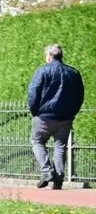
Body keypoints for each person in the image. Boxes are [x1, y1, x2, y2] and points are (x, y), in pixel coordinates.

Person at [28, 43, 84, 189]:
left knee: (37, 142)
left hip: (43, 116)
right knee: (60, 146)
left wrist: (34, 111)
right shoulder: (73, 73)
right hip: (65, 117)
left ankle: (47, 172)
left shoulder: (42, 71)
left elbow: (33, 93)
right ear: (61, 56)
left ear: (49, 56)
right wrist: (72, 112)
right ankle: (58, 179)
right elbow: (80, 97)